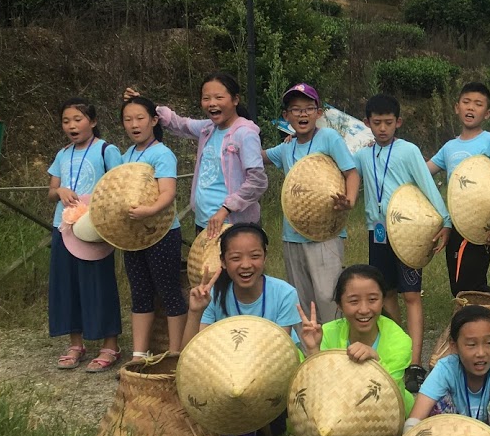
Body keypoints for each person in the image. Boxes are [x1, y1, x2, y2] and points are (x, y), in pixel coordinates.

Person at [184, 223, 301, 436]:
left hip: (273, 377)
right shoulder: (213, 295)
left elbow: (278, 355)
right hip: (228, 381)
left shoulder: (283, 293)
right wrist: (194, 312)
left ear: (265, 257)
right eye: (235, 258)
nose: (246, 264)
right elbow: (188, 355)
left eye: (254, 256)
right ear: (223, 262)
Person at [352, 94, 450, 392]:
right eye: (377, 123)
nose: (383, 129)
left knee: (411, 294)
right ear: (367, 123)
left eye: (389, 123)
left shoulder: (408, 151)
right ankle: (401, 349)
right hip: (378, 232)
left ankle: (415, 362)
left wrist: (445, 221)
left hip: (409, 233)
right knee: (387, 293)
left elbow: (426, 184)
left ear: (399, 122)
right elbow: (343, 171)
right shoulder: (363, 155)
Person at [296, 264, 415, 436]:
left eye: (372, 299)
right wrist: (313, 351)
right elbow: (311, 388)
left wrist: (374, 360)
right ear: (340, 305)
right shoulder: (326, 333)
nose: (364, 309)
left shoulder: (399, 339)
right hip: (339, 411)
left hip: (387, 414)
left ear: (383, 300)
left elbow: (386, 398)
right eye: (353, 301)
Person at [264, 82, 359, 323]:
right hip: (292, 234)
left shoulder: (328, 138)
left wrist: (349, 200)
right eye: (295, 109)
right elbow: (261, 156)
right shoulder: (287, 147)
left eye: (308, 108)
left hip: (325, 233)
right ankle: (309, 355)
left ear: (319, 112)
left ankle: (334, 352)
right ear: (286, 116)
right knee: (301, 299)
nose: (302, 113)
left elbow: (351, 172)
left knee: (328, 297)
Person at [129, 73, 267, 237]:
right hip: (204, 221)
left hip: (234, 225)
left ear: (235, 100)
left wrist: (226, 209)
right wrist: (145, 106)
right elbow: (179, 124)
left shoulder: (245, 134)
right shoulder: (208, 129)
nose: (212, 103)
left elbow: (257, 181)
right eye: (206, 98)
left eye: (219, 97)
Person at [47, 97, 123, 373]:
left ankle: (110, 345)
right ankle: (75, 343)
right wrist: (61, 192)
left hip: (95, 230)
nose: (72, 126)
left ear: (92, 121)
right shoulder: (62, 154)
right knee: (66, 286)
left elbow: (120, 185)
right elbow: (51, 190)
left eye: (78, 120)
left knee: (98, 284)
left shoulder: (106, 150)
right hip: (64, 227)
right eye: (66, 121)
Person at [426, 82, 490, 296]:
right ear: (457, 107)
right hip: (456, 222)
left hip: (481, 222)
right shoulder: (449, 147)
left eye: (478, 104)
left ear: (487, 113)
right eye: (466, 102)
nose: (471, 108)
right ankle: (478, 322)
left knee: (468, 285)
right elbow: (425, 170)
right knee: (458, 283)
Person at [119, 95, 188, 358]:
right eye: (128, 119)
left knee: (169, 291)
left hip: (162, 233)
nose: (134, 124)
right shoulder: (127, 155)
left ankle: (174, 354)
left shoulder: (162, 153)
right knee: (140, 292)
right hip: (134, 236)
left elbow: (167, 193)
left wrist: (149, 210)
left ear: (154, 120)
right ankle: (139, 354)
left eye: (140, 118)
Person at [405, 305, 490, 436]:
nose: (481, 353)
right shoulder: (445, 368)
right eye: (471, 344)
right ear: (454, 346)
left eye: (489, 343)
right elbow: (415, 420)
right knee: (434, 406)